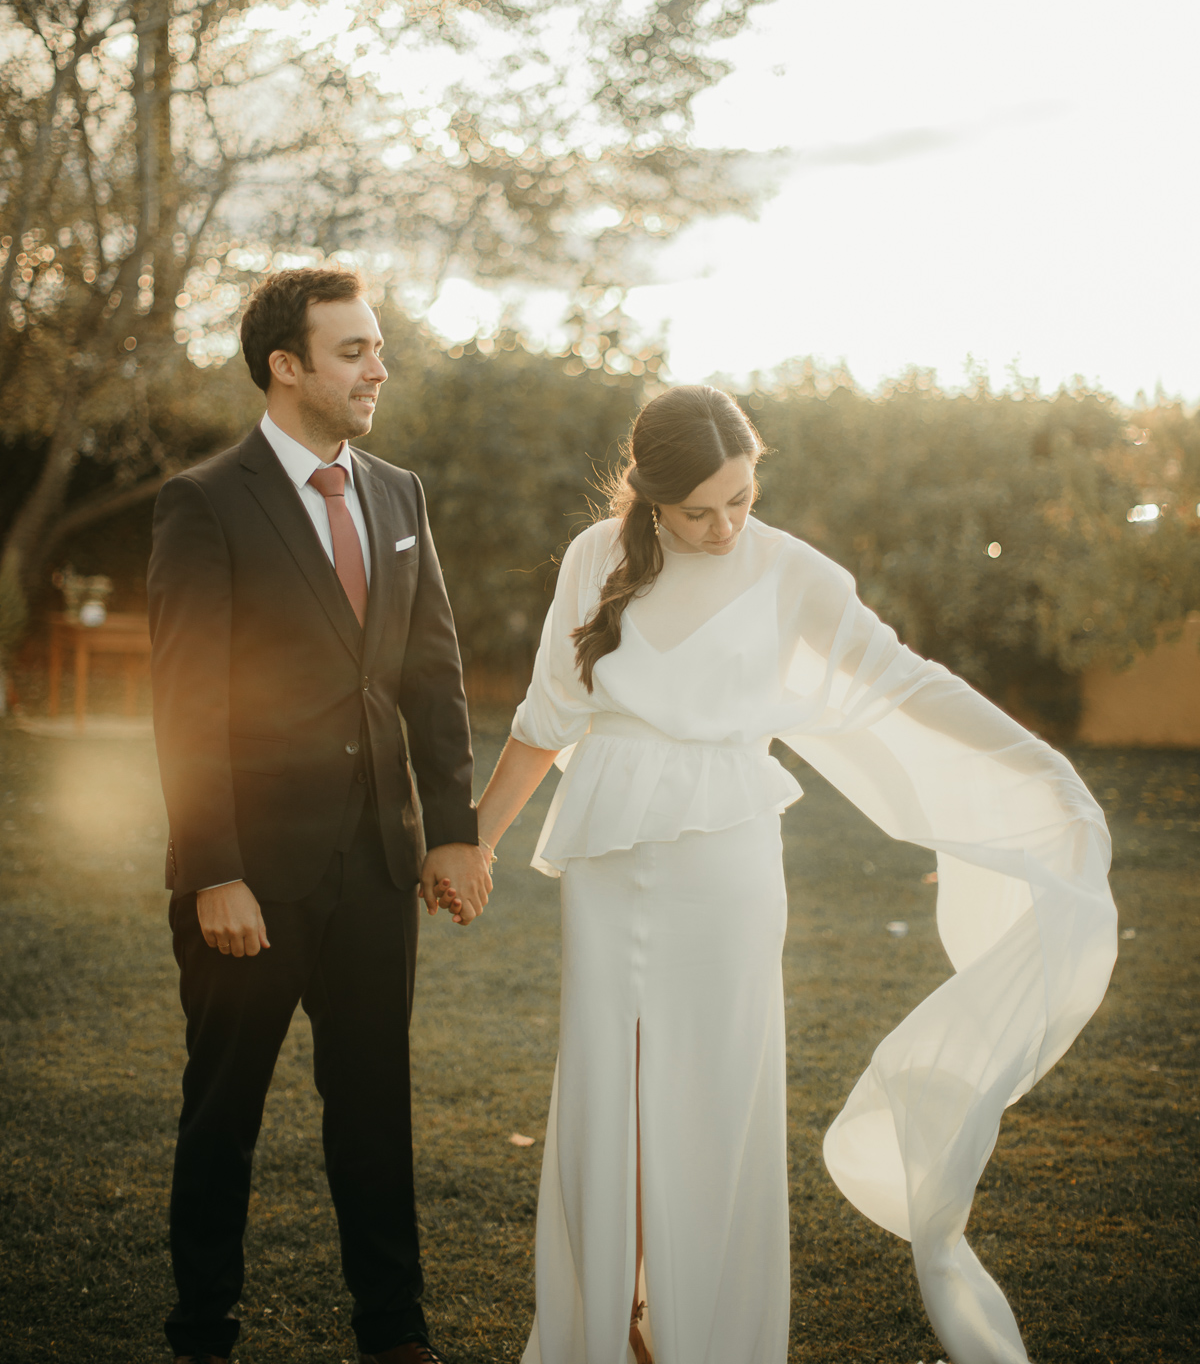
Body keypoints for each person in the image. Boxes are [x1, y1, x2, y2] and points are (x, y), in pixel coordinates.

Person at [465, 384, 1117, 1364]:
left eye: (743, 497)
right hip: (608, 858)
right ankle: (615, 1324)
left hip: (724, 863)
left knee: (715, 1093)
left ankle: (705, 1334)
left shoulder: (792, 573)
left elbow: (902, 679)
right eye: (700, 509)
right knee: (613, 1087)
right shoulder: (593, 560)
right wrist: (475, 841)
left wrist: (1031, 762)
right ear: (649, 498)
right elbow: (545, 716)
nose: (725, 524)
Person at [148, 267, 491, 1364]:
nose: (377, 368)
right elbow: (186, 703)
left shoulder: (399, 495)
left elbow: (432, 676)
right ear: (285, 366)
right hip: (253, 876)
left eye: (377, 348)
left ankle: (395, 1337)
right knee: (224, 1114)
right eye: (353, 351)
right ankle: (202, 1334)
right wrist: (214, 871)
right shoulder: (204, 502)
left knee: (375, 1113)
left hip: (378, 869)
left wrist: (450, 830)